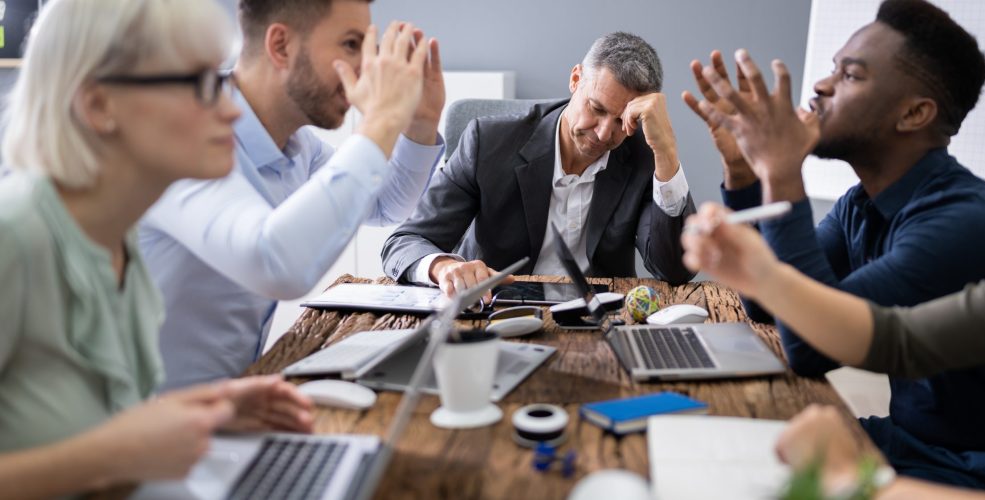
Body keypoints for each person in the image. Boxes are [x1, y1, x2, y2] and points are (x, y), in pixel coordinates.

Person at [683, 17, 985, 499]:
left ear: (915, 113)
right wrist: (751, 212)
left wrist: (856, 482)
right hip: (912, 446)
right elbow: (891, 338)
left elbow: (810, 349)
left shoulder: (968, 222)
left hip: (972, 472)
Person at [0, 1, 313, 497]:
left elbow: (100, 421)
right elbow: (112, 449)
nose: (232, 110)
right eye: (200, 86)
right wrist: (119, 454)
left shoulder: (120, 244)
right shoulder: (14, 239)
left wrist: (208, 407)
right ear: (99, 103)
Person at [139, 0, 447, 390]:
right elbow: (274, 263)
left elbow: (386, 205)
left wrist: (419, 123)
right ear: (281, 46)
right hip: (142, 427)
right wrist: (380, 122)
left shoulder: (298, 144)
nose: (366, 67)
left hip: (231, 405)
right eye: (351, 45)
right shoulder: (182, 134)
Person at [381, 32, 696, 298]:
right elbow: (404, 242)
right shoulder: (488, 142)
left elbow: (674, 270)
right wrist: (444, 267)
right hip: (497, 311)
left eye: (620, 121)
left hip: (596, 324)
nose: (604, 134)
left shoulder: (642, 156)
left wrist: (667, 154)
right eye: (596, 109)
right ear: (575, 79)